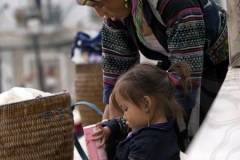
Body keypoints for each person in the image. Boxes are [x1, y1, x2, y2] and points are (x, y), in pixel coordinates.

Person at [76, 0, 229, 151]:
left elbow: (185, 75)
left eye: (100, 5)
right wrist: (109, 128)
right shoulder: (116, 16)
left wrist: (141, 126)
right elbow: (116, 77)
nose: (100, 14)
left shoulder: (176, 3)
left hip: (217, 68)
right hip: (176, 65)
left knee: (204, 140)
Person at [92, 61, 191, 160]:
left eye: (126, 109)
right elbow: (121, 124)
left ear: (146, 104)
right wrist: (108, 130)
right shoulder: (159, 127)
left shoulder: (148, 144)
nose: (124, 116)